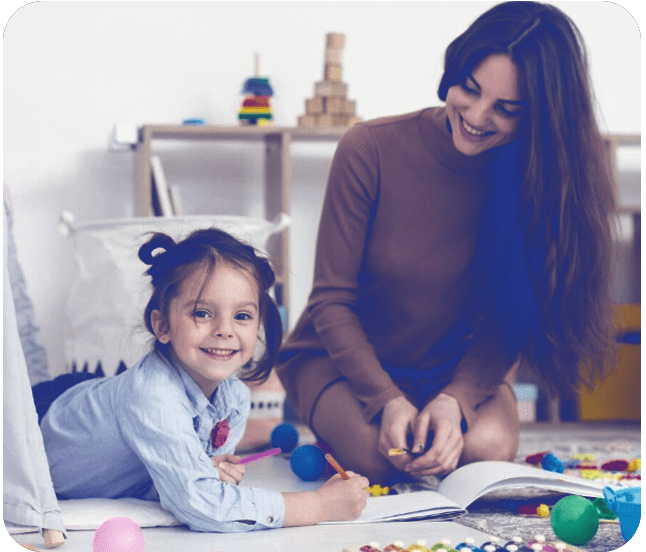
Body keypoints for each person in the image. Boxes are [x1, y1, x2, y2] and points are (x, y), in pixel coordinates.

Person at [275, 1, 616, 485]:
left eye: (507, 108)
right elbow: (331, 302)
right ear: (453, 71)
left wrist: (455, 399)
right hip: (340, 361)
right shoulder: (369, 148)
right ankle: (348, 419)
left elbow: (509, 320)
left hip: (452, 367)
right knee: (378, 460)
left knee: (486, 450)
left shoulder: (537, 182)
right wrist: (387, 399)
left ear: (539, 117)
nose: (477, 116)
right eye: (470, 89)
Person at [40, 228, 369, 532]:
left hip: (94, 406)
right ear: (162, 326)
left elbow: (193, 479)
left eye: (242, 316)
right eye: (202, 313)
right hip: (43, 419)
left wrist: (210, 469)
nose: (225, 330)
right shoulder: (153, 397)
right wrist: (319, 505)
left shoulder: (234, 399)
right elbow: (203, 504)